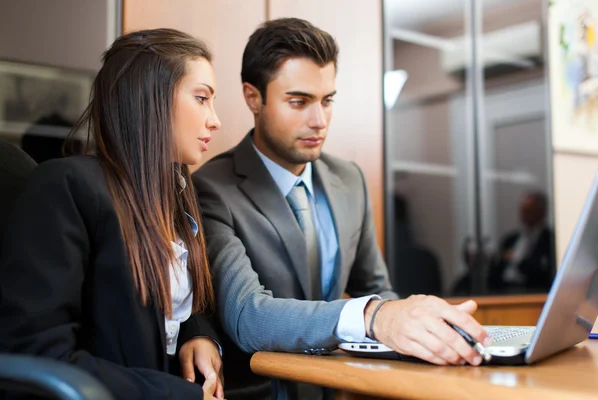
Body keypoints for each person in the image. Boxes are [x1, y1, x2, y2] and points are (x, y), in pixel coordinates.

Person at [193, 18, 491, 400]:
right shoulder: (211, 189)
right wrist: (373, 316)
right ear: (253, 97)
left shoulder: (349, 179)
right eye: (298, 102)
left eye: (327, 100)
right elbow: (248, 316)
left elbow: (376, 289)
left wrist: (427, 328)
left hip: (339, 388)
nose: (319, 121)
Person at [0, 28, 224, 400]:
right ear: (149, 100)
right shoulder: (68, 186)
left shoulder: (177, 194)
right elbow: (38, 354)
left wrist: (197, 333)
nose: (214, 120)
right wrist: (177, 394)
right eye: (202, 99)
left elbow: (167, 309)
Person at [488, 191, 554, 292]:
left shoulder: (549, 239)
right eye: (522, 209)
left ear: (541, 211)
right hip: (504, 290)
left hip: (532, 291)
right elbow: (496, 268)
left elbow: (542, 272)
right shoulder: (511, 239)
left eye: (529, 210)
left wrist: (516, 259)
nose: (524, 213)